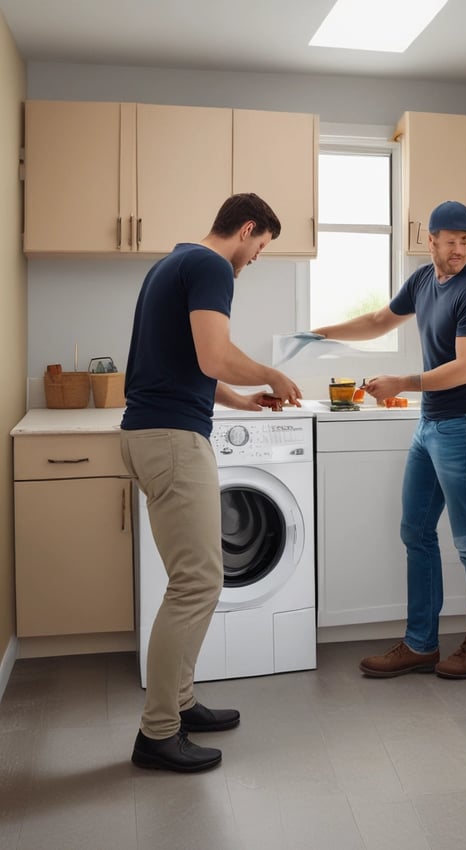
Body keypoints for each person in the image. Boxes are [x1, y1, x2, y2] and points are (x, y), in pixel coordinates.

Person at [120, 193, 302, 772]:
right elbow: (214, 355)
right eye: (261, 246)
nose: (255, 258)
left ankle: (181, 702)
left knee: (192, 580)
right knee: (198, 583)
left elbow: (190, 362)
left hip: (154, 434)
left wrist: (244, 400)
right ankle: (158, 732)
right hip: (172, 439)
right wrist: (272, 370)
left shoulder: (172, 263)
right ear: (247, 229)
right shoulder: (210, 266)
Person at [312, 200, 466, 680]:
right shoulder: (423, 280)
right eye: (452, 240)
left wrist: (402, 382)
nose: (460, 249)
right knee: (415, 533)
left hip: (463, 424)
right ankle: (421, 643)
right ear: (430, 239)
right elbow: (379, 321)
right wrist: (321, 334)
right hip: (431, 424)